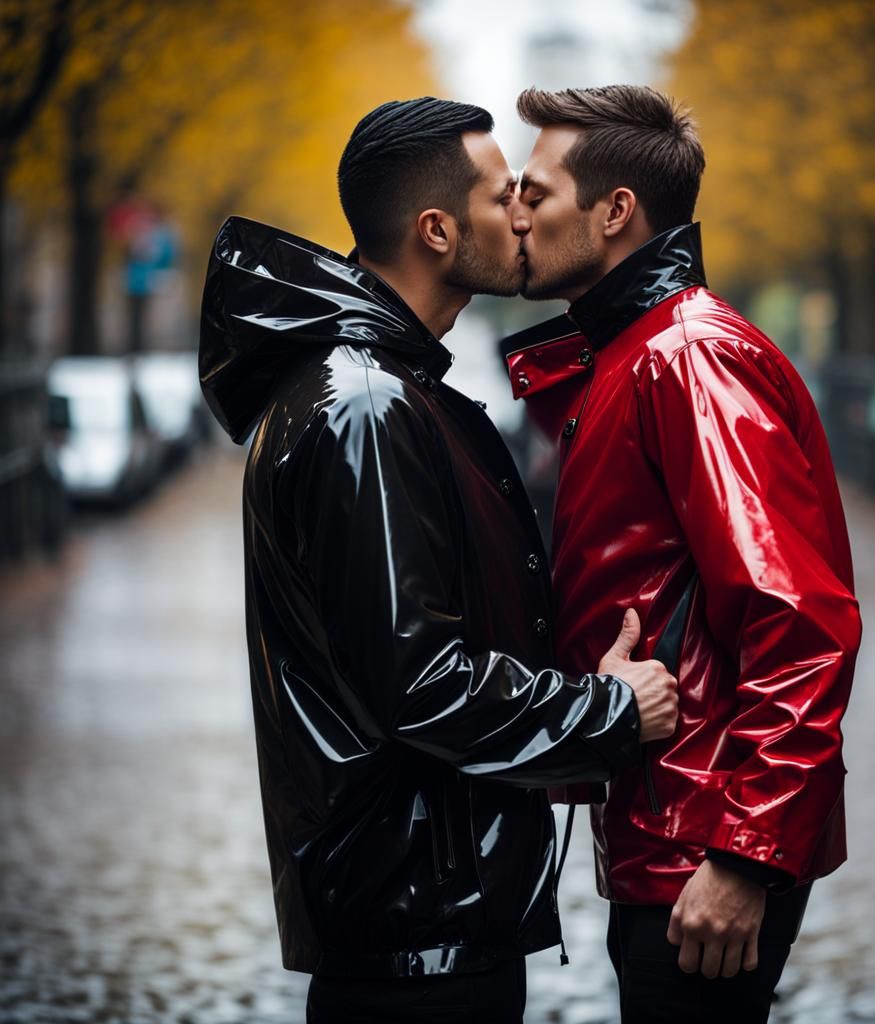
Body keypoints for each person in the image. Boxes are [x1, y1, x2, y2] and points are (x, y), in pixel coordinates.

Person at [197, 97, 679, 1024]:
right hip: (416, 930)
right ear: (436, 228)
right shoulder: (367, 407)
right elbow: (420, 683)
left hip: (420, 916)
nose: (526, 216)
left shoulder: (382, 390)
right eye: (505, 198)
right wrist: (611, 710)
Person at [502, 85, 863, 1024]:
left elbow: (800, 619)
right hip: (676, 820)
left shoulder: (687, 357)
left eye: (535, 194)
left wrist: (746, 855)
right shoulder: (637, 353)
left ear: (615, 210)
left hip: (706, 839)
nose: (514, 213)